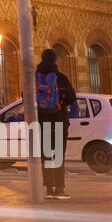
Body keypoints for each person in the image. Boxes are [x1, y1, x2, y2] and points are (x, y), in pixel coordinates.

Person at [35, 48, 78, 201]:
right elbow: (72, 97)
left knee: (46, 156)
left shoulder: (35, 78)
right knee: (58, 156)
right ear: (55, 60)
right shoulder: (60, 78)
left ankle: (49, 189)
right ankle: (59, 189)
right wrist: (61, 103)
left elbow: (25, 96)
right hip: (59, 122)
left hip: (42, 123)